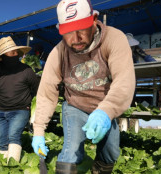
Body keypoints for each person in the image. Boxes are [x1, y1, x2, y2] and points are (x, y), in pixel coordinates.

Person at [31, 0, 136, 173]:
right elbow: (46, 93)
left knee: (110, 153)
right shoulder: (58, 53)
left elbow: (124, 81)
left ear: (94, 19)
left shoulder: (114, 39)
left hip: (105, 107)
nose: (76, 38)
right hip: (75, 106)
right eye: (69, 32)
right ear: (60, 30)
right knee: (71, 150)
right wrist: (38, 130)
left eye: (82, 29)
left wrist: (105, 112)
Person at [0, 36, 39, 162]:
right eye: (11, 53)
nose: (14, 54)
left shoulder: (26, 70)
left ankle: (12, 167)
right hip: (1, 112)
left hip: (20, 110)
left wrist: (35, 111)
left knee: (13, 136)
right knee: (2, 141)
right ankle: (2, 166)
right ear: (3, 55)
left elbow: (37, 91)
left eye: (15, 52)